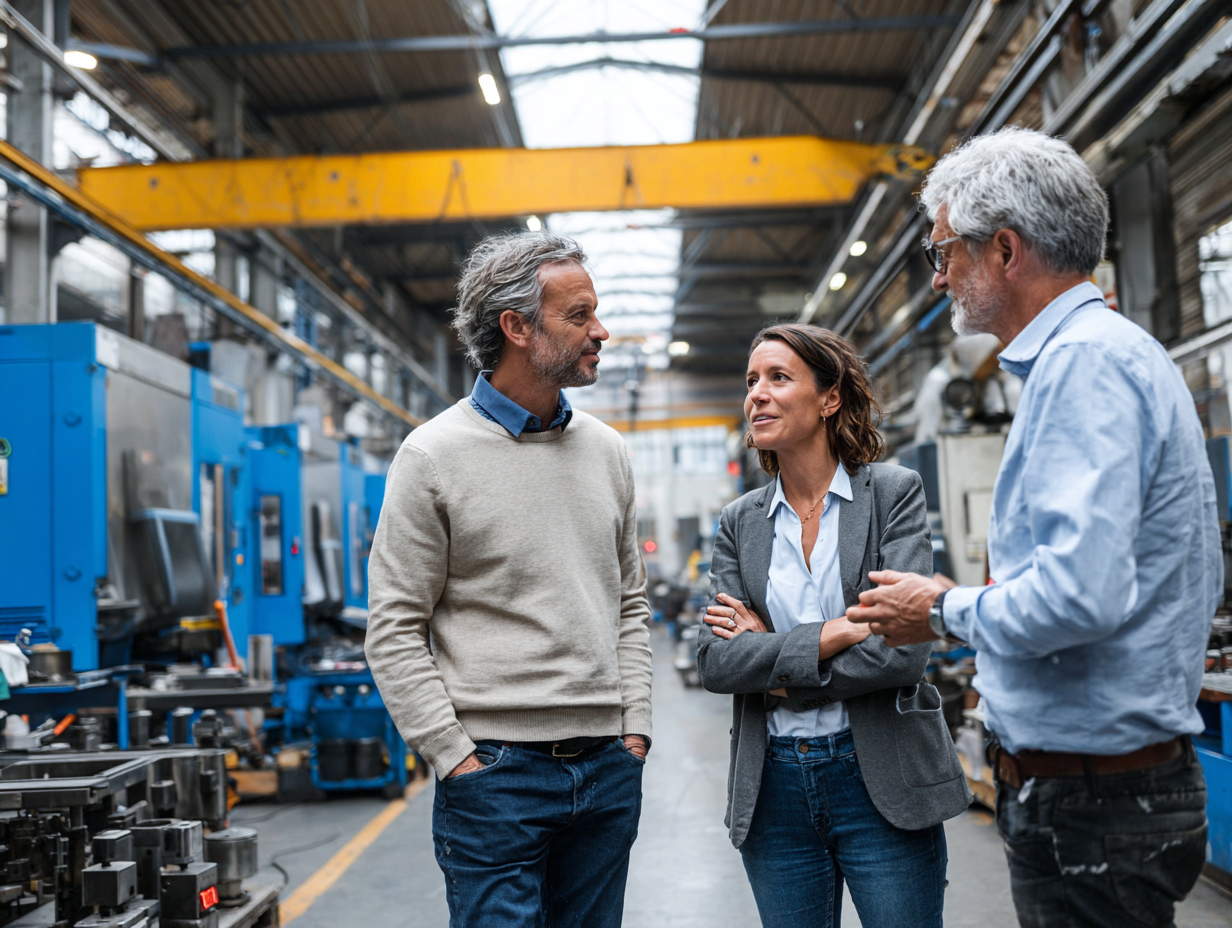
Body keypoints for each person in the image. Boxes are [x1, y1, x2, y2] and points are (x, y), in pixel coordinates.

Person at [848, 127, 1221, 928]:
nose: (939, 274)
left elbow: (1078, 597)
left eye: (944, 251)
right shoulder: (1102, 355)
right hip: (1100, 790)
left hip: (1094, 802)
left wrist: (940, 609)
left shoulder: (1085, 364)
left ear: (1006, 250)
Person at [365, 232, 653, 928]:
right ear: (517, 328)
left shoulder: (608, 452)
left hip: (607, 766)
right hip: (495, 774)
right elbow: (394, 626)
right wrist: (453, 756)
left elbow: (630, 604)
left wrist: (635, 730)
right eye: (579, 315)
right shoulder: (432, 456)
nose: (600, 331)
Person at [697, 323, 971, 928]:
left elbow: (902, 650)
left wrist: (776, 669)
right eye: (751, 381)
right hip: (774, 788)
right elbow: (716, 661)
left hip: (882, 776)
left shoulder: (893, 494)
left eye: (778, 377)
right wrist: (837, 632)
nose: (757, 394)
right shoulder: (740, 522)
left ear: (829, 398)